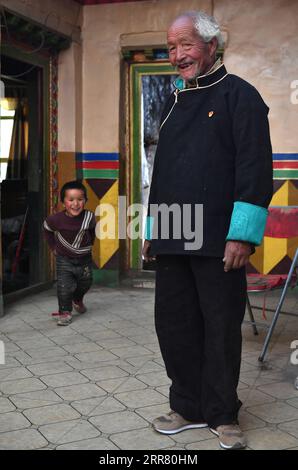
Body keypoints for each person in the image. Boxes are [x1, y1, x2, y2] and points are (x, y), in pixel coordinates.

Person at [142, 11, 273, 450]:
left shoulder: (241, 97)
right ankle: (187, 405)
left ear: (211, 46)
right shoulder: (174, 101)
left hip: (219, 236)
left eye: (186, 45)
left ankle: (221, 412)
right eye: (171, 47)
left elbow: (255, 169)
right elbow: (162, 173)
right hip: (174, 231)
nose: (177, 55)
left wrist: (243, 234)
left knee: (219, 326)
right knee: (173, 323)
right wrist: (152, 230)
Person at [43, 180, 96, 326]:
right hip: (64, 259)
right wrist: (53, 247)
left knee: (86, 282)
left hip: (84, 258)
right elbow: (47, 229)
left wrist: (90, 245)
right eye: (71, 200)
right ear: (63, 202)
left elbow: (92, 232)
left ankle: (77, 299)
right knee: (64, 287)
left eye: (80, 199)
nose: (76, 204)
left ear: (85, 200)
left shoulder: (89, 217)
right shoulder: (55, 219)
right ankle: (65, 313)